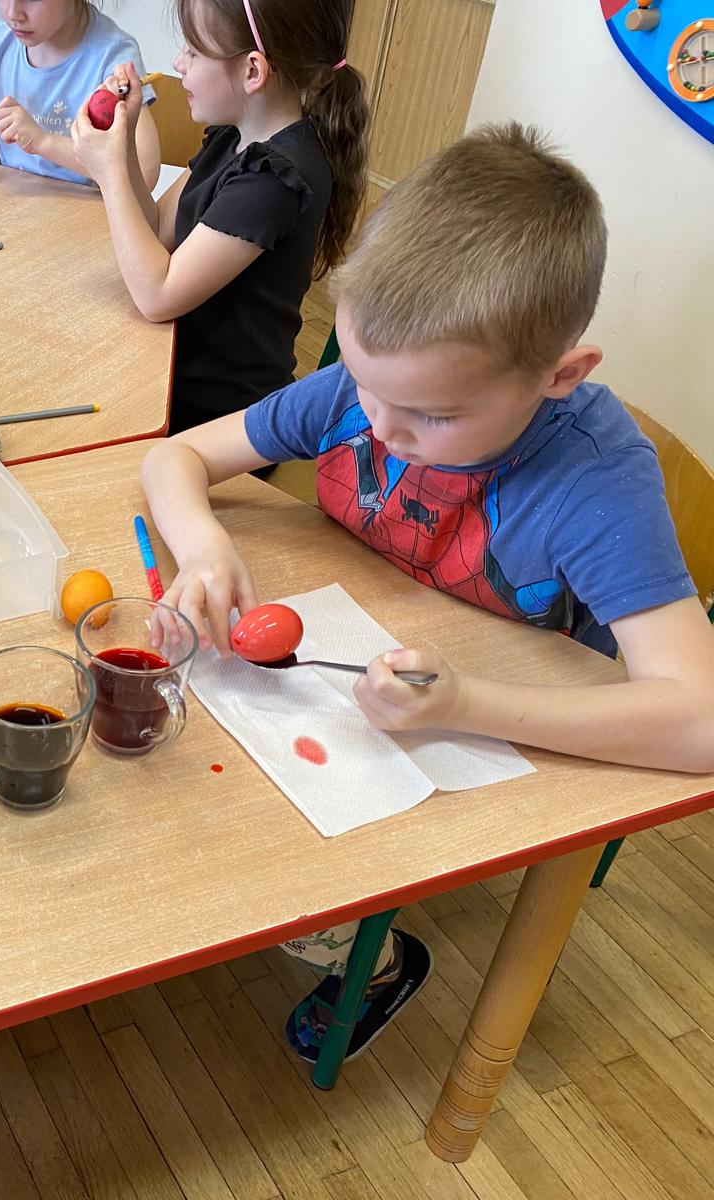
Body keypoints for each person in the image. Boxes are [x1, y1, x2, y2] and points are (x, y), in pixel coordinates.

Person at [141, 122, 714, 1063]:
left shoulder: (596, 480)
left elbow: (700, 722)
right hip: (371, 676)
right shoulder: (365, 390)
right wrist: (203, 546)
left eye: (432, 415)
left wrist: (466, 705)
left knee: (277, 873)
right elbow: (175, 457)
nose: (379, 428)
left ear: (562, 376)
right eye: (365, 386)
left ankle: (373, 964)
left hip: (507, 740)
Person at [72, 0, 368, 433]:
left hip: (221, 420)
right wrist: (126, 139)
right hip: (171, 377)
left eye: (193, 51)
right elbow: (158, 228)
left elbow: (157, 296)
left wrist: (110, 173)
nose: (178, 63)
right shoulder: (233, 138)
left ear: (252, 71)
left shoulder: (274, 179)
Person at [0, 0, 160, 191]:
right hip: (12, 205)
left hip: (86, 211)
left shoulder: (113, 55)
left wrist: (43, 142)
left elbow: (145, 173)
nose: (13, 13)